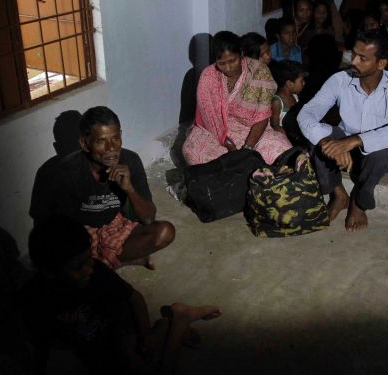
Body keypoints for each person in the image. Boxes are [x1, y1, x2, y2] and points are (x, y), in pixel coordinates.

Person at [21, 217, 222, 374]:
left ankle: (180, 320)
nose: (89, 269)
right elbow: (47, 345)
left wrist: (144, 336)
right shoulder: (35, 298)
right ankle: (168, 325)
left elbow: (134, 298)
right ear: (48, 271)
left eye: (89, 260)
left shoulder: (96, 272)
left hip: (121, 335)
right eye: (78, 266)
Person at [29, 106, 175, 270]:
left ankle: (105, 264)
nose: (111, 149)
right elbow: (59, 228)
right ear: (85, 144)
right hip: (81, 233)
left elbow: (148, 219)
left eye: (115, 139)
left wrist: (129, 189)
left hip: (115, 226)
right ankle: (117, 262)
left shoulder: (130, 161)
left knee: (165, 232)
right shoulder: (67, 172)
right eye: (101, 141)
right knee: (67, 262)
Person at [297, 29, 388, 231]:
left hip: (375, 153)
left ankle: (359, 202)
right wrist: (327, 143)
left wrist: (354, 141)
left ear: (381, 63)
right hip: (343, 148)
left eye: (363, 58)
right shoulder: (340, 80)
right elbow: (307, 114)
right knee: (318, 134)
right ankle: (339, 194)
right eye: (354, 54)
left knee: (385, 150)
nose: (354, 62)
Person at [182, 31, 292, 165]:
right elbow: (208, 117)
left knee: (281, 150)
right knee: (192, 151)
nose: (228, 68)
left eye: (232, 61)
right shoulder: (208, 76)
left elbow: (262, 116)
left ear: (241, 53)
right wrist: (225, 141)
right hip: (218, 131)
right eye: (221, 63)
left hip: (254, 129)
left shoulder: (259, 72)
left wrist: (248, 148)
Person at [269, 60, 307, 145]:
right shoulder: (277, 102)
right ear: (289, 84)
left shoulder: (295, 97)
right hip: (284, 138)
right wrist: (291, 136)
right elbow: (275, 125)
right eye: (301, 81)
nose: (304, 83)